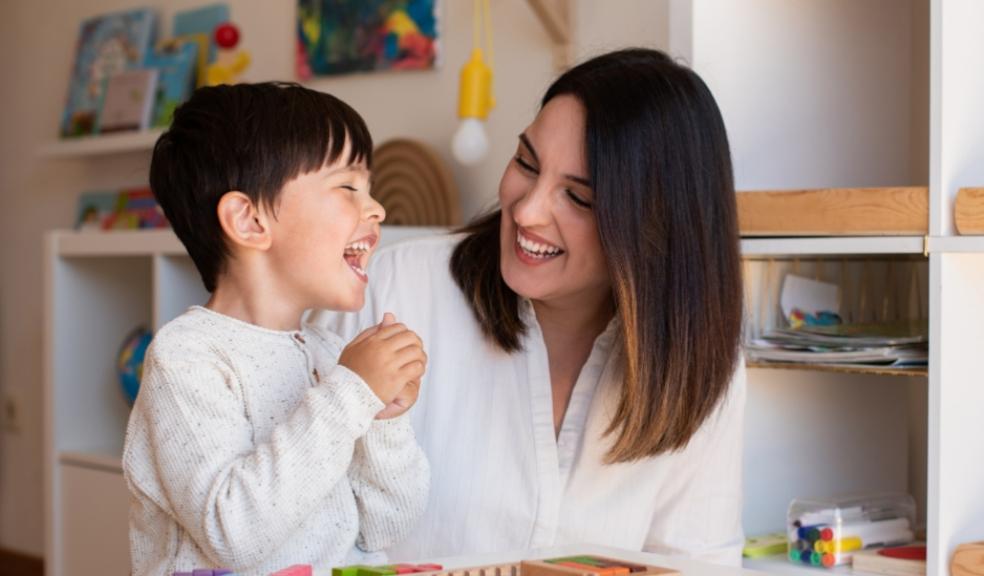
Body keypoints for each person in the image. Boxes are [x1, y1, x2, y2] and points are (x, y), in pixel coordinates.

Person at [313, 48, 746, 566]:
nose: (528, 209)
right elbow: (289, 531)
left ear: (656, 227)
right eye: (526, 162)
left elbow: (697, 562)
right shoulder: (391, 290)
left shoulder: (699, 361)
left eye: (579, 198)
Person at [122, 82, 430, 576]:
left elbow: (385, 527)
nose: (377, 209)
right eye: (349, 187)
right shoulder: (187, 358)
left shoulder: (330, 354)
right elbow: (234, 534)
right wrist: (351, 394)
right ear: (249, 221)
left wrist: (384, 420)